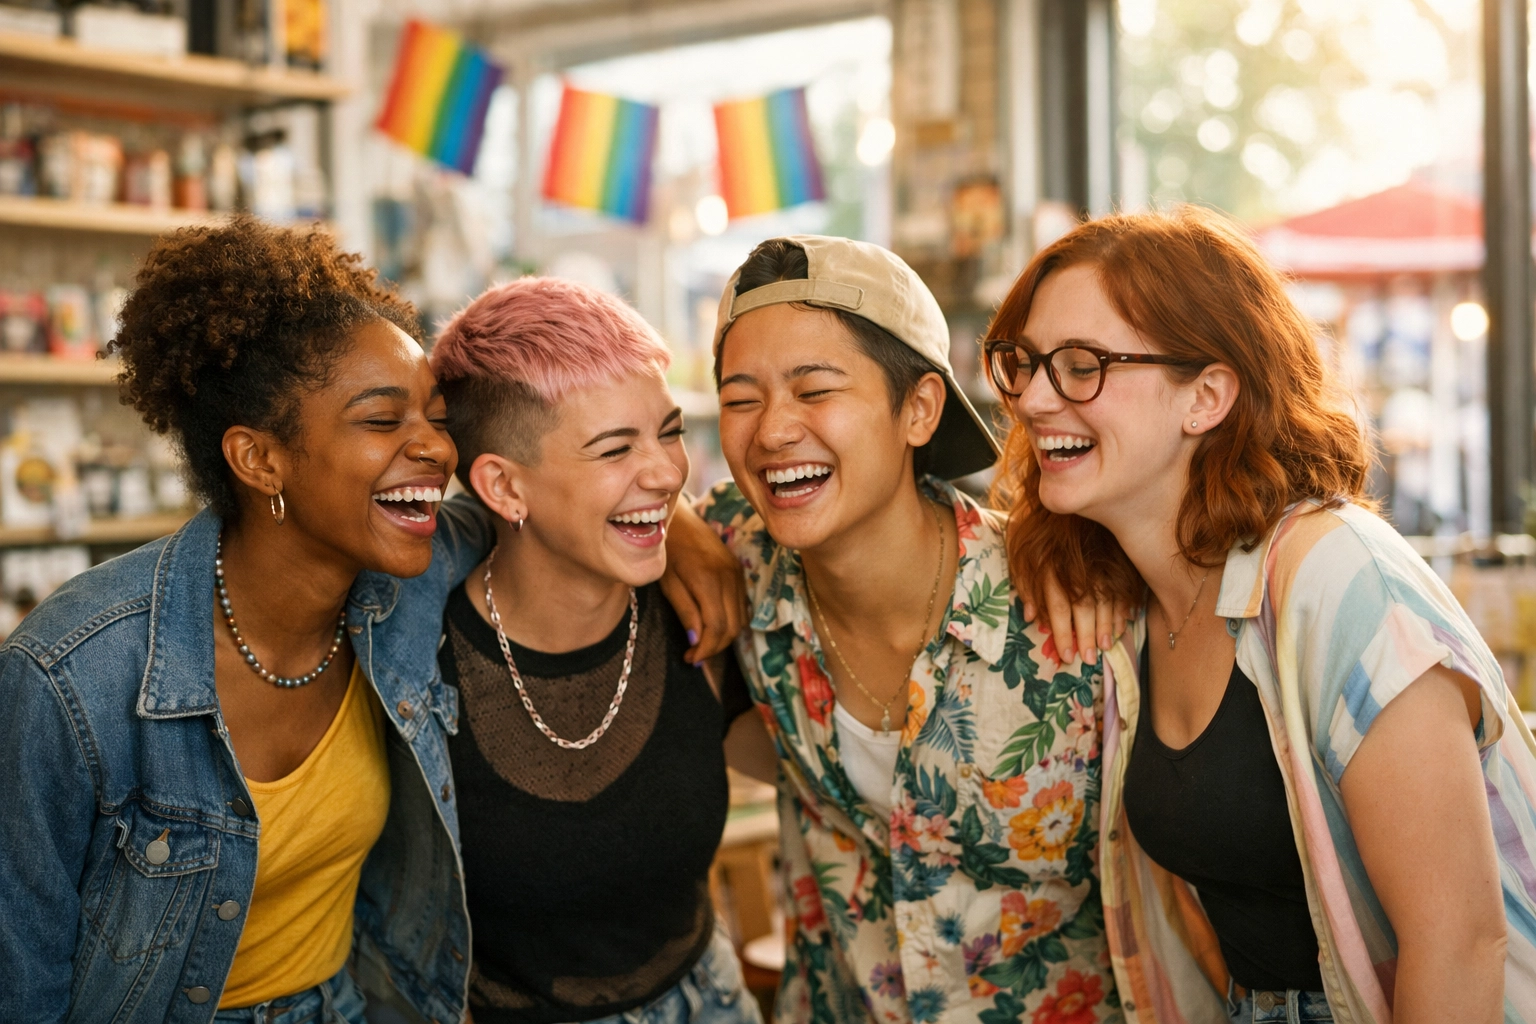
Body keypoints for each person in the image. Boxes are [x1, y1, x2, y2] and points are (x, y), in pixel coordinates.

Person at [0, 218, 743, 1024]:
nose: (436, 451)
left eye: (435, 418)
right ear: (259, 459)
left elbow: (554, 508)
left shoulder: (407, 577)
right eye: (383, 421)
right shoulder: (73, 675)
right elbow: (21, 976)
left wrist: (682, 523)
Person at [984, 206, 1536, 1024]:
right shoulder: (1131, 604)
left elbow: (1459, 944)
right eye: (1024, 363)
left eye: (1081, 365)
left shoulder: (1339, 576)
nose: (1033, 398)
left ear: (1207, 396)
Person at [700, 235, 1123, 1024]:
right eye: (740, 399)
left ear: (920, 409)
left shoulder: (1069, 599)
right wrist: (675, 538)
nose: (772, 431)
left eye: (814, 389)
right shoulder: (738, 555)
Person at [427, 276, 766, 1024]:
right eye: (615, 448)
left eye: (669, 432)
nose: (668, 474)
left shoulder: (699, 609)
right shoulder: (413, 664)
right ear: (503, 487)